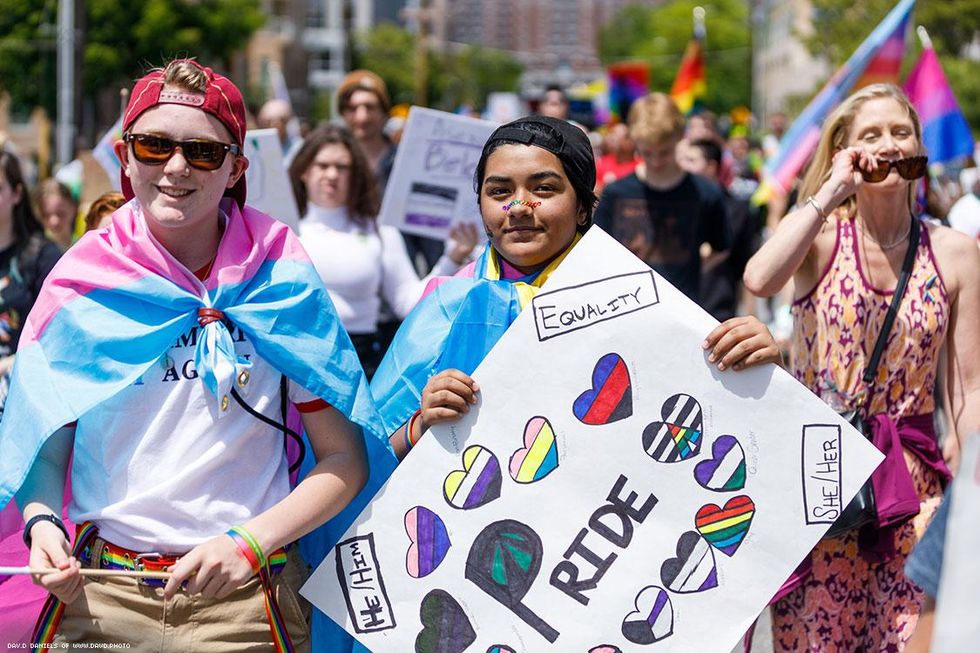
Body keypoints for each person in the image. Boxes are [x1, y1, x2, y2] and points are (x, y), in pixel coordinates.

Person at [0, 58, 395, 650]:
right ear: (125, 159)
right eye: (154, 145)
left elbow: (344, 462)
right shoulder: (81, 283)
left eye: (203, 152)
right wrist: (41, 522)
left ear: (236, 167)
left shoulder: (280, 278)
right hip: (99, 596)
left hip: (240, 603)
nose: (177, 167)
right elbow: (44, 448)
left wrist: (250, 544)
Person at [369, 115, 781, 461]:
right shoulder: (446, 305)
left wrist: (755, 366)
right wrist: (422, 423)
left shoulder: (637, 301)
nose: (519, 207)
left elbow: (710, 430)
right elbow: (370, 458)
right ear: (480, 205)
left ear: (584, 206)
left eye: (543, 188)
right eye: (499, 192)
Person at [743, 83, 980, 651]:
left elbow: (968, 385)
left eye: (901, 132)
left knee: (904, 638)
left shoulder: (953, 252)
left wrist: (968, 486)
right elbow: (759, 278)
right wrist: (830, 191)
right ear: (845, 149)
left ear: (919, 148)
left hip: (913, 489)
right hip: (820, 482)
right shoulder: (820, 240)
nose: (888, 144)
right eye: (870, 135)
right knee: (815, 639)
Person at [288, 125, 478, 378]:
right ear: (304, 171)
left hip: (361, 363)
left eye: (342, 167)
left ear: (356, 174)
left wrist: (452, 259)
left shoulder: (380, 230)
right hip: (297, 359)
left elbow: (407, 302)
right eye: (322, 165)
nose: (332, 174)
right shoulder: (283, 229)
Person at [593, 92, 731, 309]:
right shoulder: (617, 193)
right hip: (626, 309)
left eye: (664, 152)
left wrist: (693, 268)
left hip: (683, 308)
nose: (656, 161)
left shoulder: (705, 192)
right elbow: (598, 252)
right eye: (647, 152)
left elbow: (720, 246)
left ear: (679, 138)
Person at [0, 153, 62, 412]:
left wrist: (13, 362)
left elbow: (59, 333)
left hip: (19, 399)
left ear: (16, 194)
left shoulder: (43, 256)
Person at [679, 138, 759, 322]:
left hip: (716, 307)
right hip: (679, 306)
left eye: (691, 160)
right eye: (682, 160)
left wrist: (750, 312)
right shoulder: (674, 207)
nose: (683, 166)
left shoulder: (735, 208)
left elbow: (742, 262)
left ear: (711, 166)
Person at [35, 178, 79, 250]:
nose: (54, 221)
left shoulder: (83, 246)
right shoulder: (34, 253)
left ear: (73, 208)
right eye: (46, 215)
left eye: (61, 213)